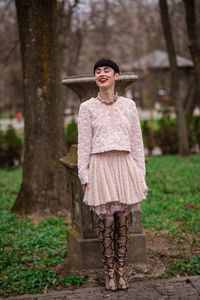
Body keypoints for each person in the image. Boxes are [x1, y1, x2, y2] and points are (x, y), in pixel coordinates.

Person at [77, 58, 148, 292]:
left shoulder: (129, 105)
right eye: (98, 71)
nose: (102, 73)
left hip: (124, 165)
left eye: (107, 70)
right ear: (95, 78)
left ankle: (121, 270)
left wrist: (140, 173)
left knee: (122, 221)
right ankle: (109, 273)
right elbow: (83, 145)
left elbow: (137, 141)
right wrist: (84, 176)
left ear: (116, 76)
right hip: (100, 166)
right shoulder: (87, 107)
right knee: (106, 221)